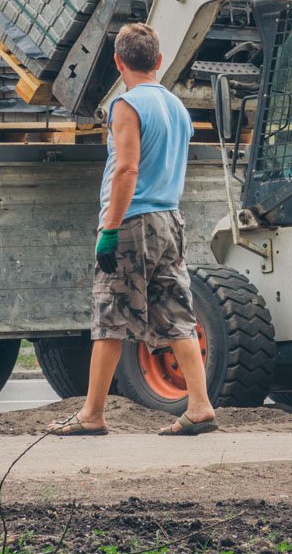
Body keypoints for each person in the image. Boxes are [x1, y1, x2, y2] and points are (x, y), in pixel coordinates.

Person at [47, 23, 216, 437]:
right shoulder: (177, 108)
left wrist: (110, 228)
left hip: (132, 221)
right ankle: (199, 406)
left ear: (118, 63)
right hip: (169, 221)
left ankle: (92, 414)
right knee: (177, 313)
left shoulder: (126, 105)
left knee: (109, 314)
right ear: (159, 61)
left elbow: (126, 169)